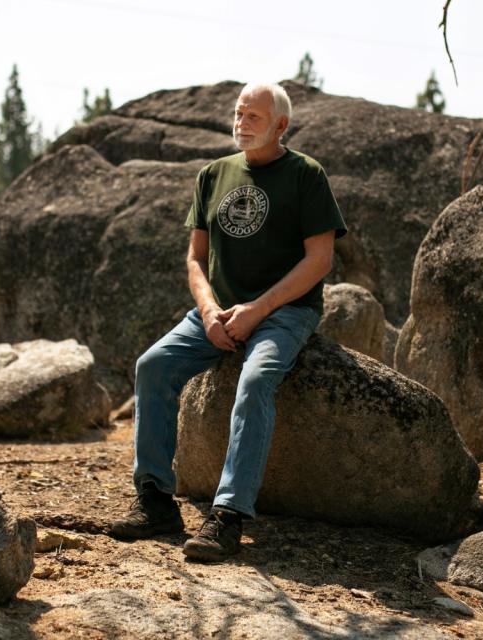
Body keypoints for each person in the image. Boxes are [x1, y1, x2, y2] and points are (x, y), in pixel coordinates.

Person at [109, 82, 347, 561]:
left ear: (281, 125)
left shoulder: (306, 175)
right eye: (239, 113)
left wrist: (258, 310)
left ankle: (229, 515)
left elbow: (319, 260)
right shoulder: (213, 174)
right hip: (218, 312)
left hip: (284, 313)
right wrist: (208, 311)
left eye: (254, 117)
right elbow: (196, 258)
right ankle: (155, 501)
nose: (242, 122)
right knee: (152, 366)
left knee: (255, 381)